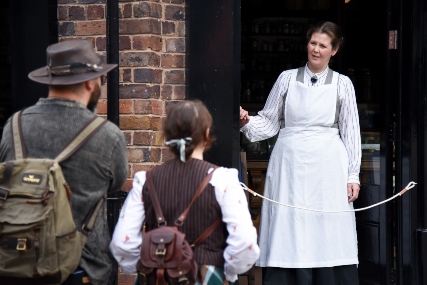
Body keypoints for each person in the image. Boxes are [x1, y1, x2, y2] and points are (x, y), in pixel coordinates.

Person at [240, 21, 361, 285]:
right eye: (313, 43)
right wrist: (247, 121)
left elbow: (351, 133)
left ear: (334, 51)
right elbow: (270, 121)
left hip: (328, 165)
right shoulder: (286, 79)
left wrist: (353, 175)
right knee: (289, 220)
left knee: (325, 222)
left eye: (323, 45)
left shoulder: (343, 84)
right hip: (289, 163)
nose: (316, 50)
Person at [0, 39, 128, 285]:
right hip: (81, 268)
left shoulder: (13, 126)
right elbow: (114, 184)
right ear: (91, 82)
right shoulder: (107, 135)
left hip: (16, 262)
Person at [110, 100, 260, 284]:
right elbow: (246, 243)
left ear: (167, 136)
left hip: (156, 278)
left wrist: (147, 266)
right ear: (206, 134)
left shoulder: (145, 181)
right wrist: (226, 272)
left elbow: (121, 243)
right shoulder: (224, 180)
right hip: (207, 277)